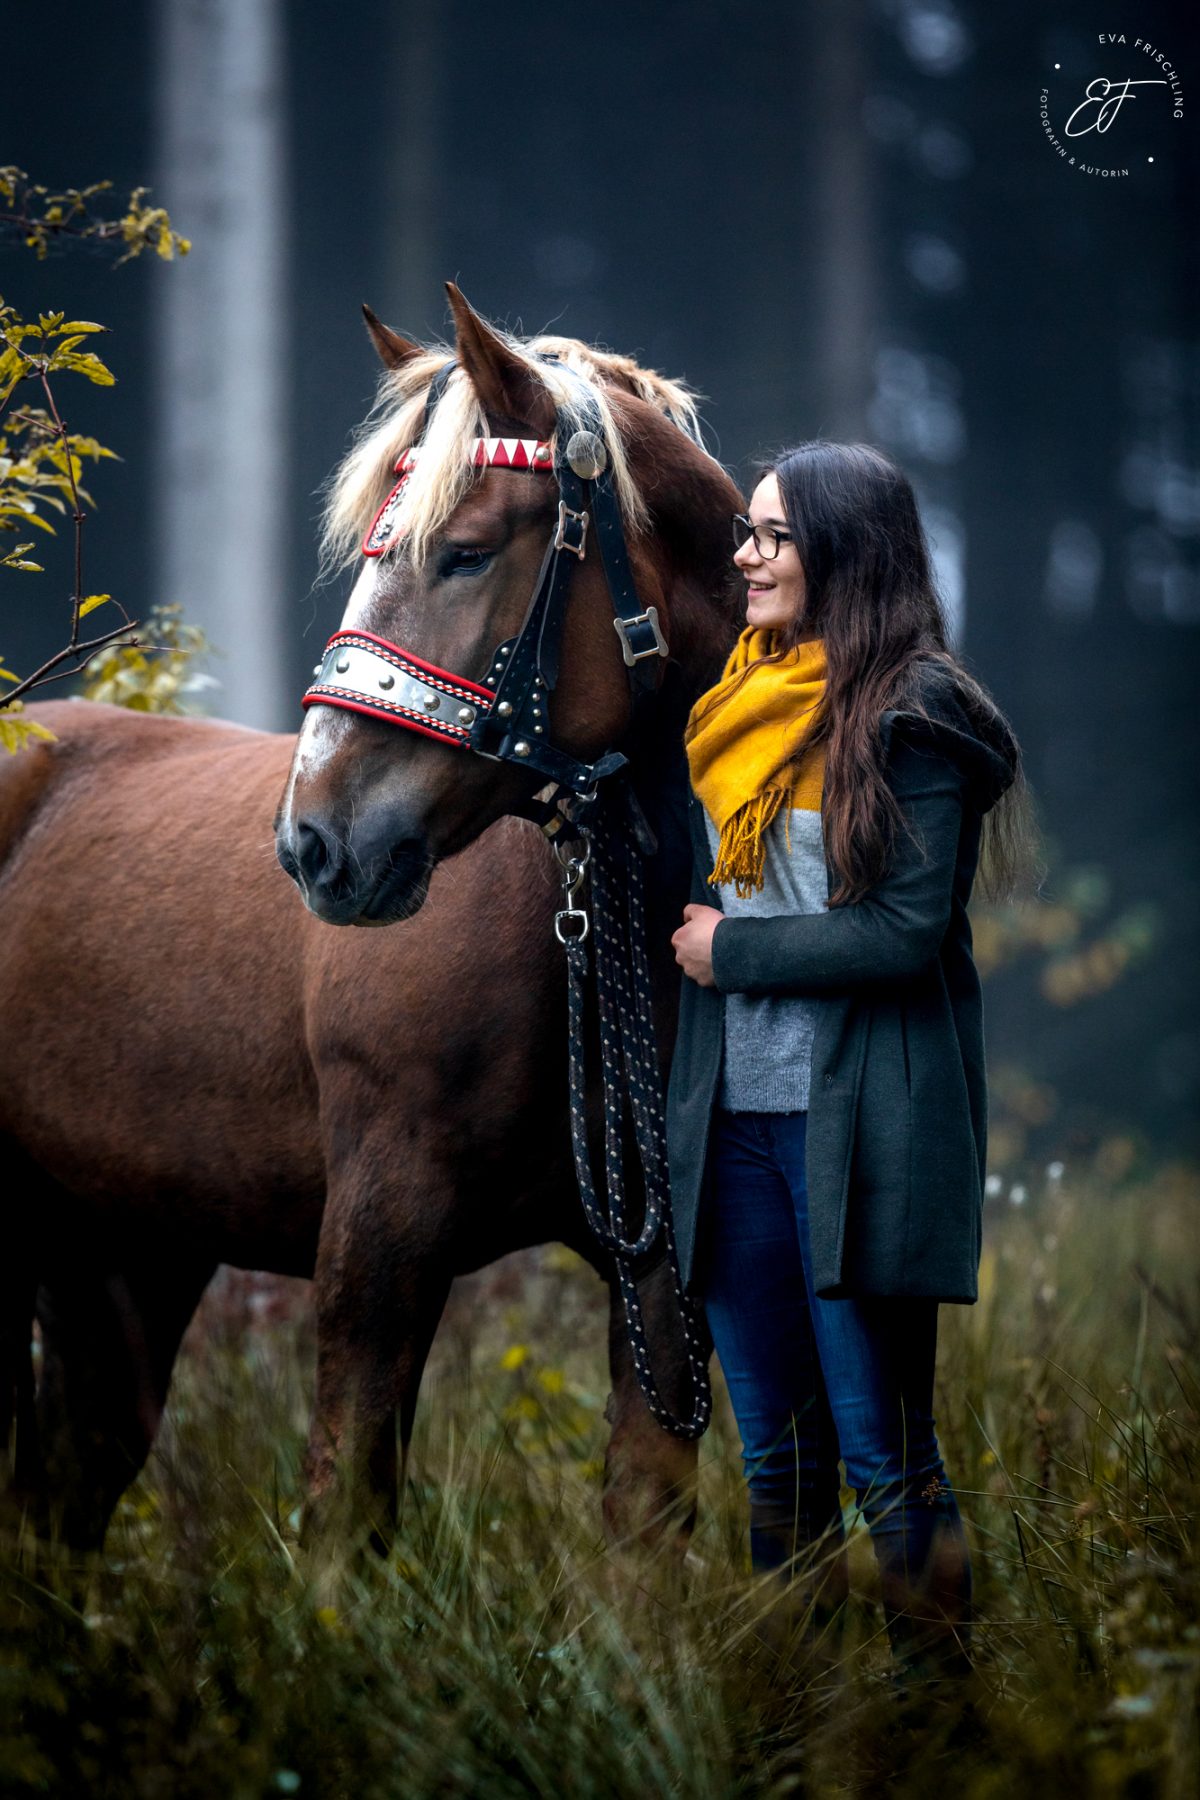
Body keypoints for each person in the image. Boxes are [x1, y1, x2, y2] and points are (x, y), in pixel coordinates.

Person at [666, 440, 1032, 1683]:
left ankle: (937, 1722)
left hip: (857, 1132)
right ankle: (802, 1723)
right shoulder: (733, 708)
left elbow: (901, 931)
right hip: (735, 1137)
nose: (748, 555)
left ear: (844, 547)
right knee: (775, 1462)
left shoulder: (913, 714)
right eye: (746, 534)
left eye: (773, 534)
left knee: (886, 1460)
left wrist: (735, 952)